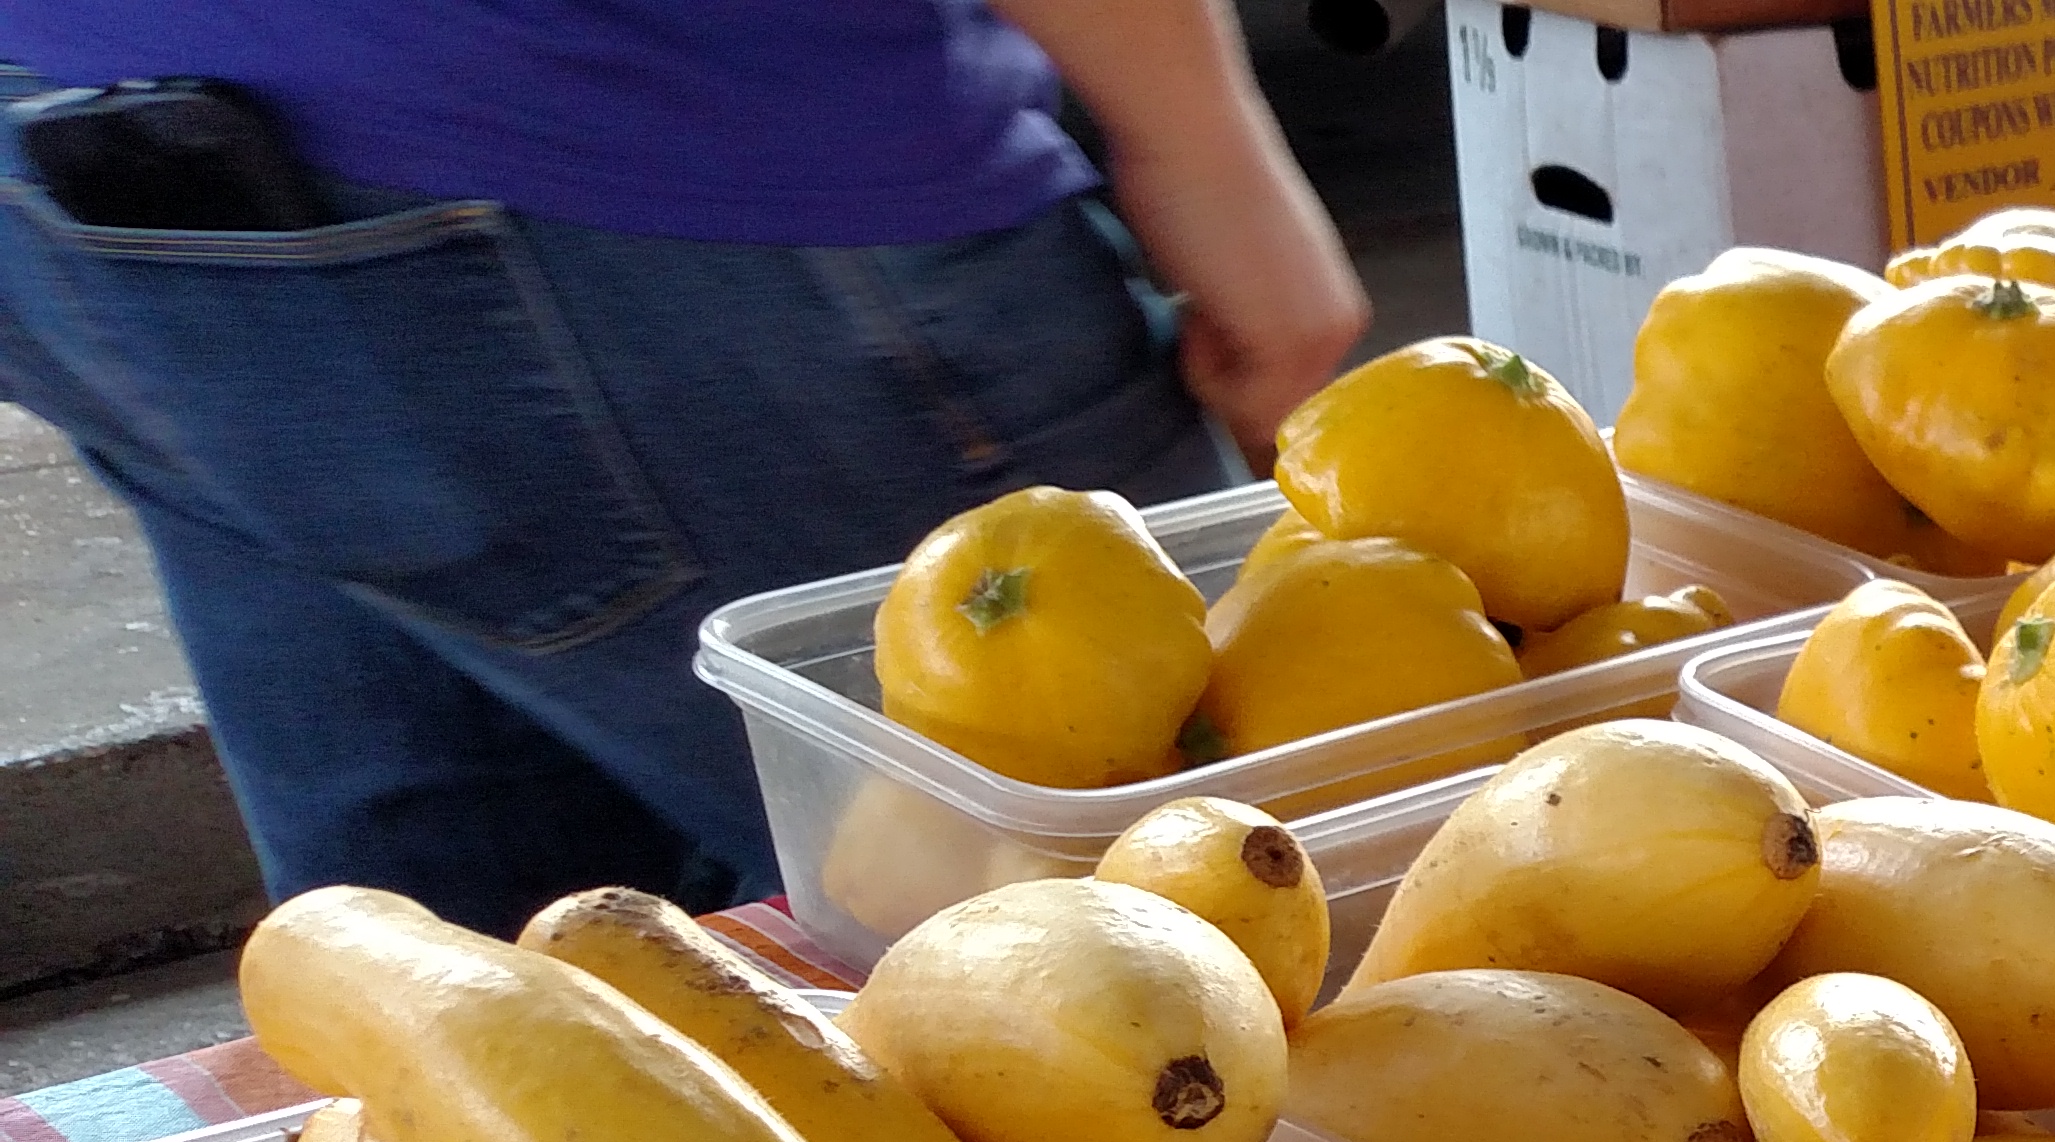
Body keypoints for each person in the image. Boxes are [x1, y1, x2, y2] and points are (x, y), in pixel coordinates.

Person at [0, 0, 1366, 934]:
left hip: (78, 171)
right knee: (1228, 957)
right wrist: (1199, 136)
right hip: (648, 160)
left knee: (474, 1028)